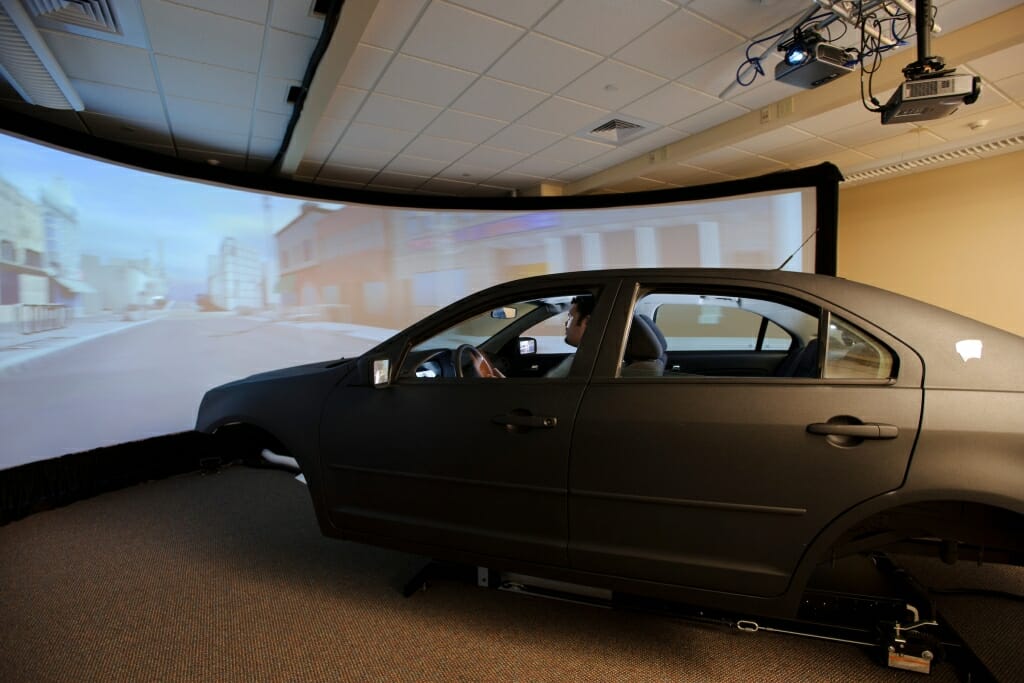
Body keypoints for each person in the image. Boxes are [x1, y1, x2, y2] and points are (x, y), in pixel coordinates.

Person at [543, 294, 594, 378]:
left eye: (570, 317)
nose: (566, 323)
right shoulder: (590, 358)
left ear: (587, 323)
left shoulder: (578, 363)